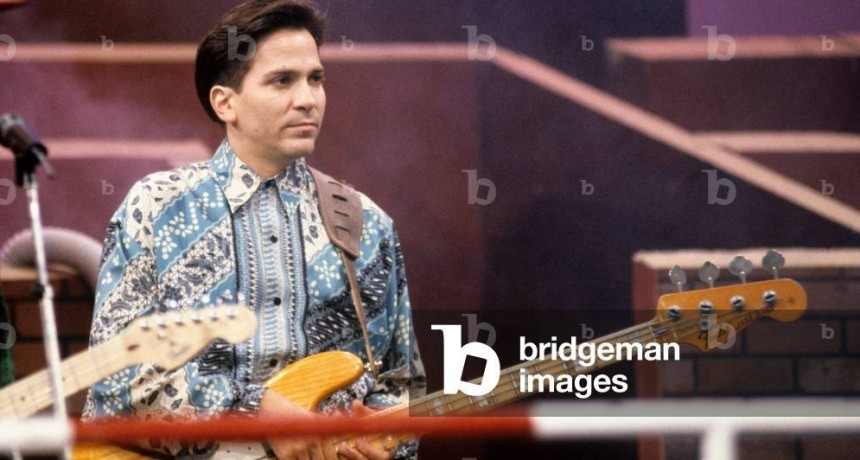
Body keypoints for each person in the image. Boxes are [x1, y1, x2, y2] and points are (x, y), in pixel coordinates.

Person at [83, 1, 426, 458]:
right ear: (225, 102)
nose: (307, 99)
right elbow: (115, 381)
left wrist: (383, 446)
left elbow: (401, 386)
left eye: (315, 79)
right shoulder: (156, 207)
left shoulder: (367, 224)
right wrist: (256, 411)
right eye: (282, 80)